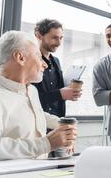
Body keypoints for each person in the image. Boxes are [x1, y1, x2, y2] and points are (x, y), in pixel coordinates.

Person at [0, 31, 77, 160]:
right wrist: (47, 143)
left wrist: (62, 124)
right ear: (20, 57)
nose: (45, 64)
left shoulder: (31, 90)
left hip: (39, 174)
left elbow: (35, 114)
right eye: (38, 56)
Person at [32, 19, 82, 157]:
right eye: (54, 37)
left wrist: (69, 92)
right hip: (39, 130)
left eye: (61, 38)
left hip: (58, 126)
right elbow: (30, 101)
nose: (59, 43)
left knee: (60, 170)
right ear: (38, 35)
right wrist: (60, 94)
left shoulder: (56, 62)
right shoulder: (30, 63)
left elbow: (60, 94)